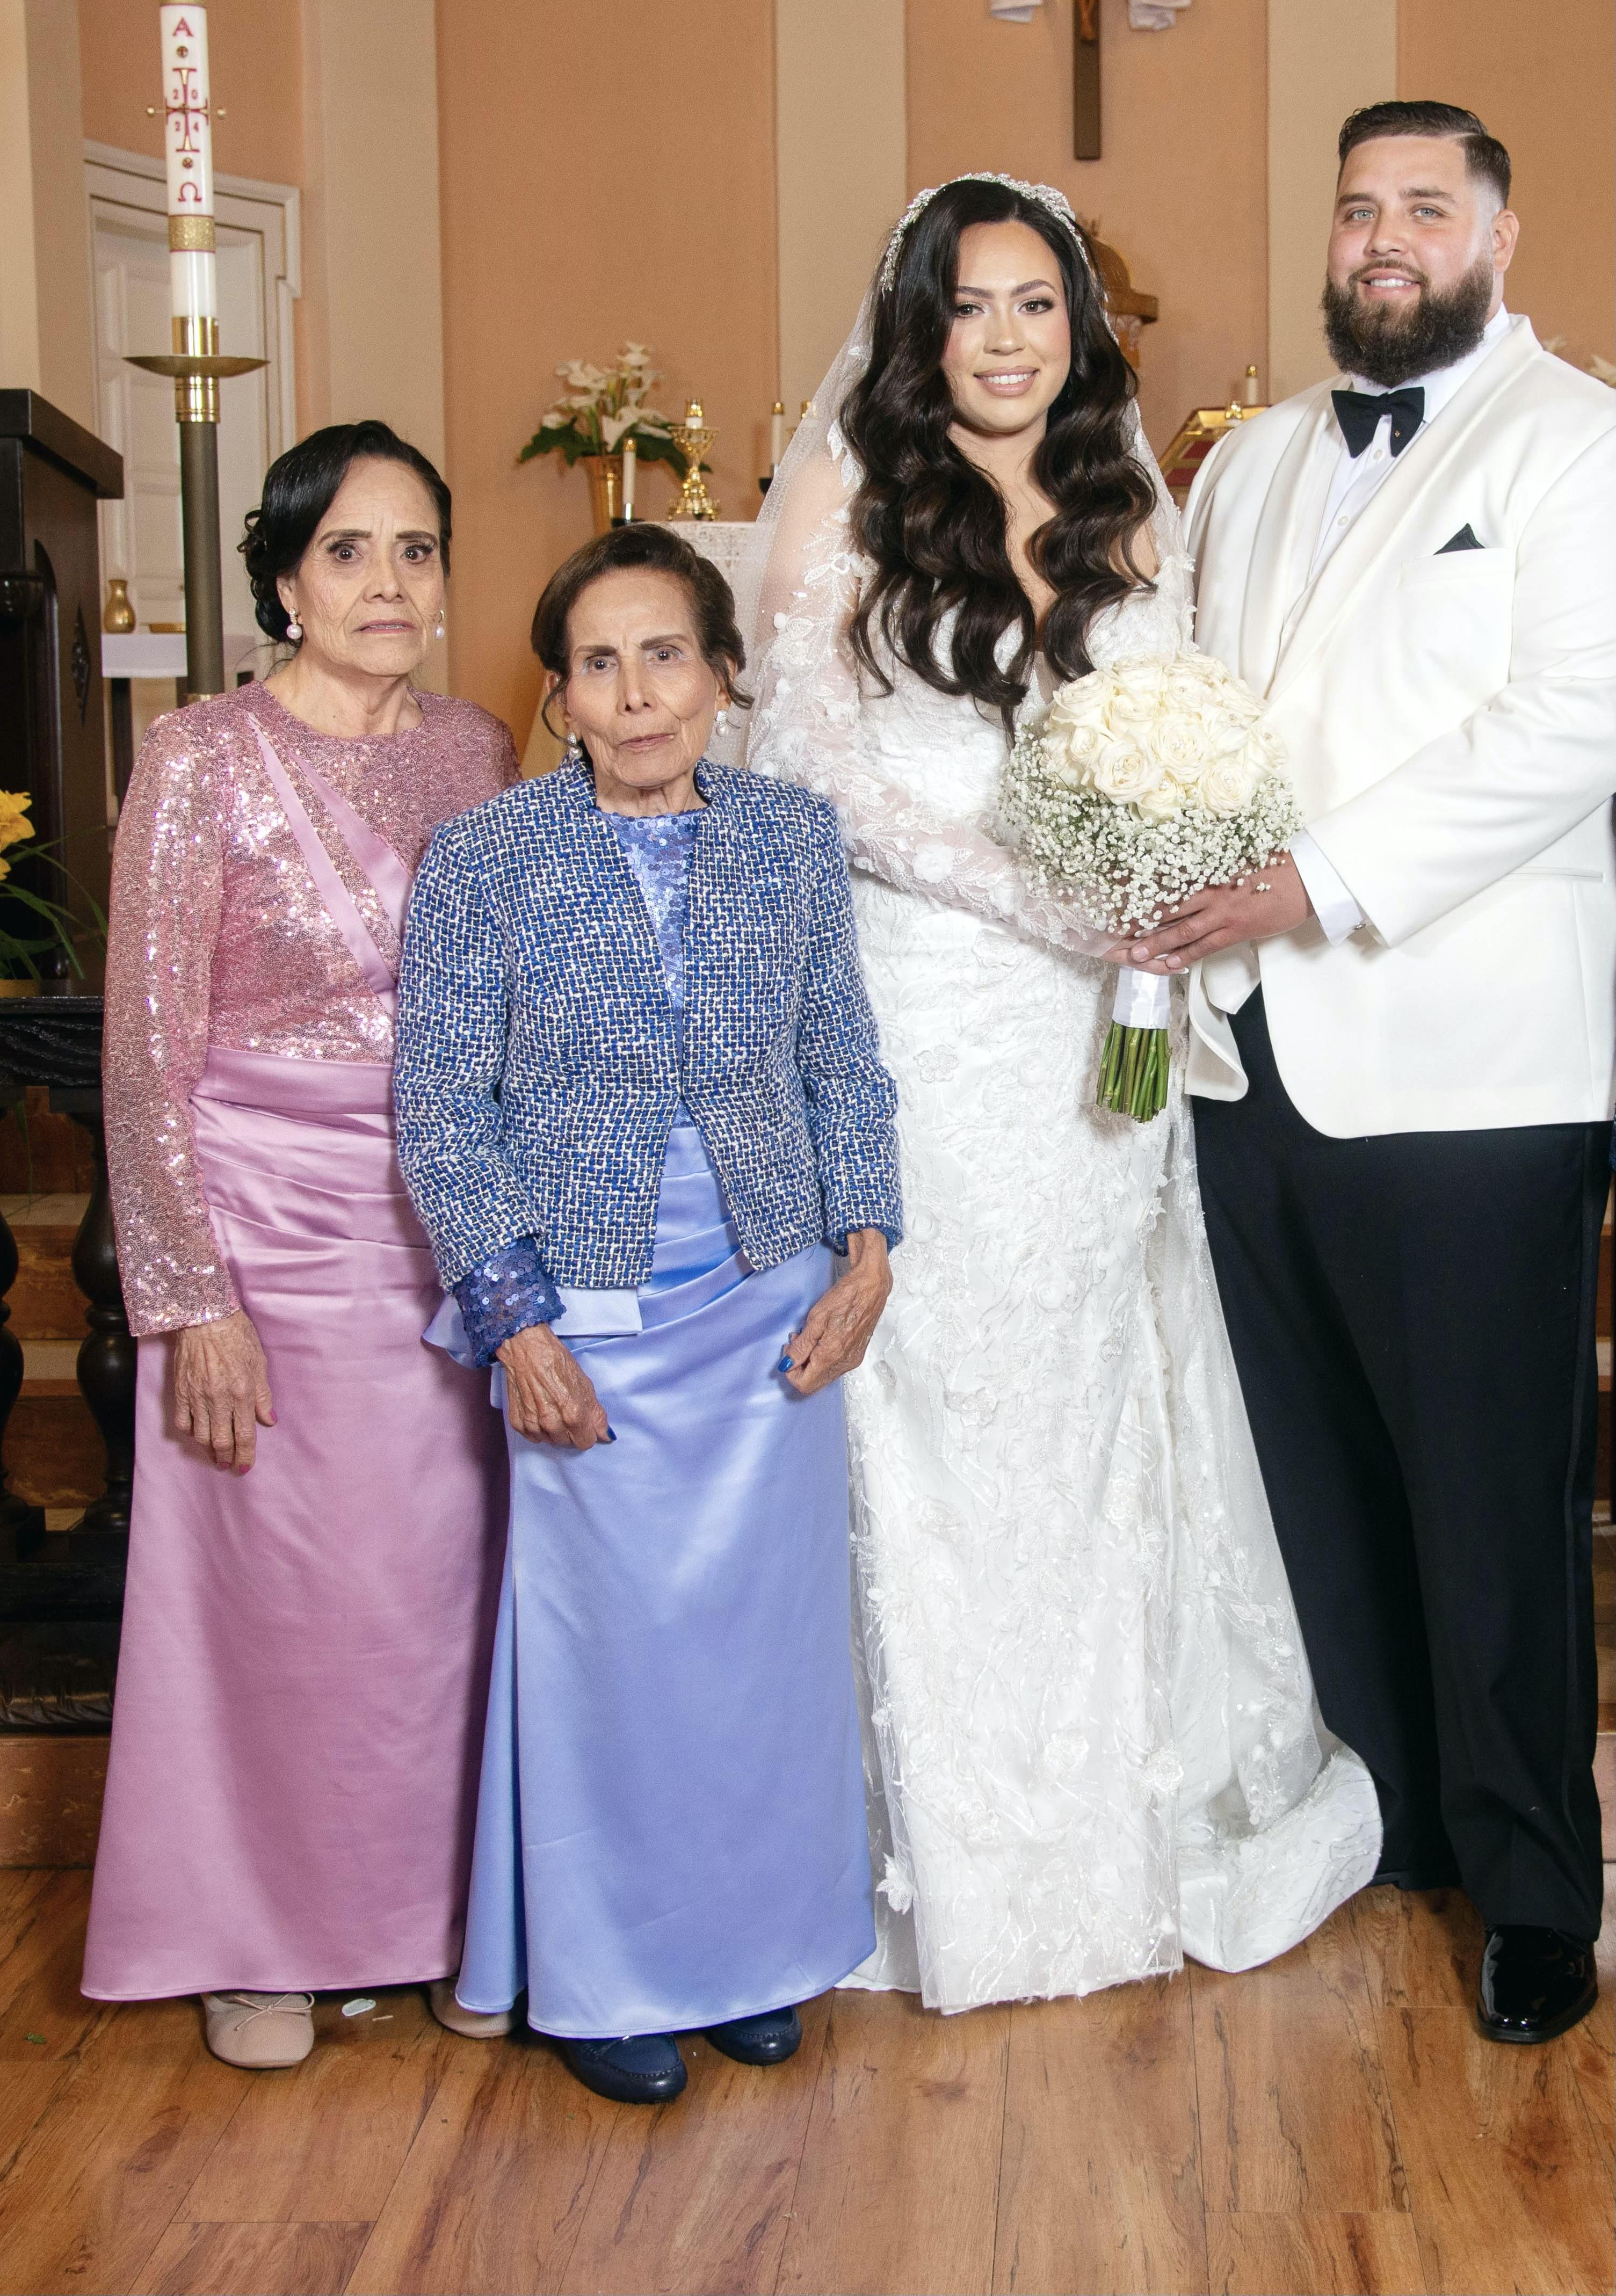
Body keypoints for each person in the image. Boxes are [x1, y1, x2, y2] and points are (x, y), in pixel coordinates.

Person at [744, 175, 1382, 2015]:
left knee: (1105, 1374)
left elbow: (1192, 743)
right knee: (935, 1385)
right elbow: (813, 769)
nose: (1006, 338)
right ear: (918, 329)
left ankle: (1118, 1816)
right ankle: (939, 1842)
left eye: (1036, 303)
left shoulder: (1129, 512)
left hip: (1102, 1031)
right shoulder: (848, 502)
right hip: (933, 1015)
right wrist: (1047, 897)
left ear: (1079, 328)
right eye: (970, 306)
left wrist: (1156, 887)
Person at [1124, 101, 1616, 2046]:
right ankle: (1393, 1817)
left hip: (1470, 1064)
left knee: (1490, 1493)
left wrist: (1305, 881)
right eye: (1356, 210)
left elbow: (1573, 722)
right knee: (1309, 1474)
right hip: (1249, 1058)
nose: (1383, 238)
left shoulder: (1575, 439)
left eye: (1424, 206)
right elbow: (1189, 705)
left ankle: (1535, 1887)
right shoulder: (1248, 461)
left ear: (1497, 235)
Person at [393, 522, 900, 2105]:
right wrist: (515, 1321)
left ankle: (747, 1951)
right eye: (597, 665)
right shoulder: (484, 857)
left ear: (722, 673)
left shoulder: (791, 839)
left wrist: (868, 1249)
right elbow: (440, 1109)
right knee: (608, 1657)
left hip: (769, 1304)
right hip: (582, 1311)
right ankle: (608, 1976)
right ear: (558, 700)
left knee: (756, 1654)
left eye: (664, 654)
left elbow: (842, 1058)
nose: (635, 694)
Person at [85, 421, 516, 2068]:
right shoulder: (198, 756)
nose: (387, 581)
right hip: (257, 1237)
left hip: (439, 1232)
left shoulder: (480, 750)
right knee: (267, 1599)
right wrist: (188, 1296)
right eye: (347, 550)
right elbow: (144, 1054)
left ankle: (444, 1918)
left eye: (415, 548)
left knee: (434, 1599)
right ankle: (251, 1937)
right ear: (282, 580)